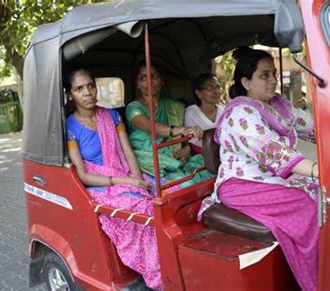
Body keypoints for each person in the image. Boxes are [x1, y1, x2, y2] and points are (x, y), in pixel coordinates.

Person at [210, 47, 319, 291]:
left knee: (324, 193)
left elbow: (311, 126)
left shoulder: (278, 105)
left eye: (274, 74)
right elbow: (274, 154)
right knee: (309, 206)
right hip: (243, 185)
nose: (273, 81)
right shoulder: (241, 114)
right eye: (264, 75)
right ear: (246, 82)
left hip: (269, 178)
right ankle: (315, 281)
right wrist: (315, 169)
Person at [65, 68, 162, 289]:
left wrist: (137, 179)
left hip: (125, 175)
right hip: (100, 187)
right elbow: (83, 175)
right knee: (143, 208)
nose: (88, 92)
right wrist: (125, 183)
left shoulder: (111, 115)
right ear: (71, 95)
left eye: (90, 86)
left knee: (163, 193)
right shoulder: (71, 126)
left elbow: (127, 152)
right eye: (79, 89)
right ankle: (155, 271)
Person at [125, 62, 213, 188]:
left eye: (154, 76)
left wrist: (186, 148)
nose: (149, 82)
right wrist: (182, 130)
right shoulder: (133, 108)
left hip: (175, 157)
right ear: (138, 84)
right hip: (149, 160)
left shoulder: (174, 106)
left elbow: (184, 140)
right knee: (187, 184)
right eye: (143, 78)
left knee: (209, 172)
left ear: (162, 80)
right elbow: (151, 127)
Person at [184, 73, 225, 153]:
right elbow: (194, 142)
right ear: (199, 94)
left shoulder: (224, 111)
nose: (216, 92)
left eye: (218, 87)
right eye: (210, 89)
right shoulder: (191, 113)